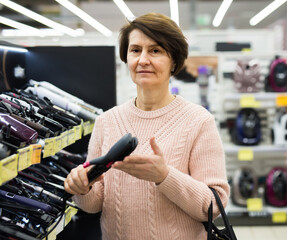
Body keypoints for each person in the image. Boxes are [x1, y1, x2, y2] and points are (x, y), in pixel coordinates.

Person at [64, 12, 230, 240]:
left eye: (155, 50)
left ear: (174, 61)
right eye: (135, 50)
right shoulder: (107, 121)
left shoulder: (199, 121)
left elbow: (214, 205)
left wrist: (164, 176)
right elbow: (94, 204)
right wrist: (82, 188)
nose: (143, 60)